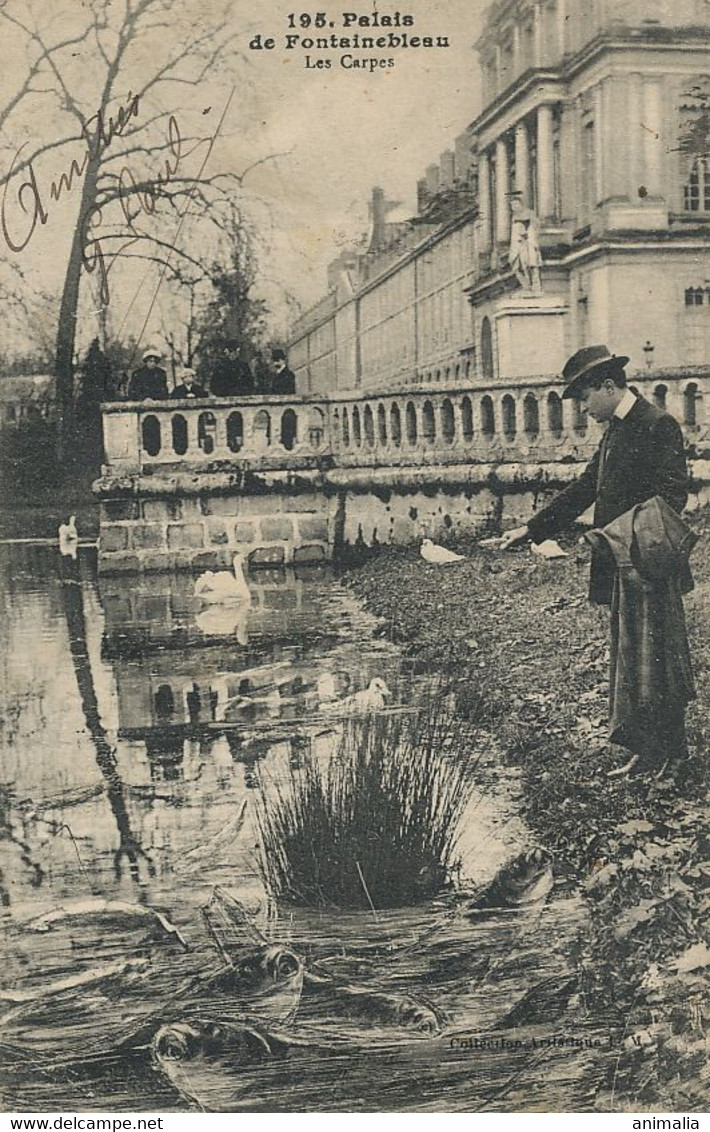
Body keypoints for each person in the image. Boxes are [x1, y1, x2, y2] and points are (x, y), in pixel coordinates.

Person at [500, 344, 694, 777]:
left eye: (585, 398)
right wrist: (531, 530)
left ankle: (674, 755)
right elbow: (588, 487)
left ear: (608, 386)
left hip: (648, 564)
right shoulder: (616, 428)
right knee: (633, 661)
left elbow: (673, 494)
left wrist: (635, 544)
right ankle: (647, 751)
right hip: (623, 563)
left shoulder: (655, 424)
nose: (584, 409)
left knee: (660, 659)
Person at [509, 193, 542, 293]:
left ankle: (534, 286)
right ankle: (527, 286)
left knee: (529, 264)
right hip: (517, 244)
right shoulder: (514, 217)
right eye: (512, 205)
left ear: (521, 204)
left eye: (516, 204)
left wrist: (527, 234)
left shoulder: (529, 214)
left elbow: (535, 227)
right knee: (517, 266)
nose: (514, 207)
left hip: (528, 243)